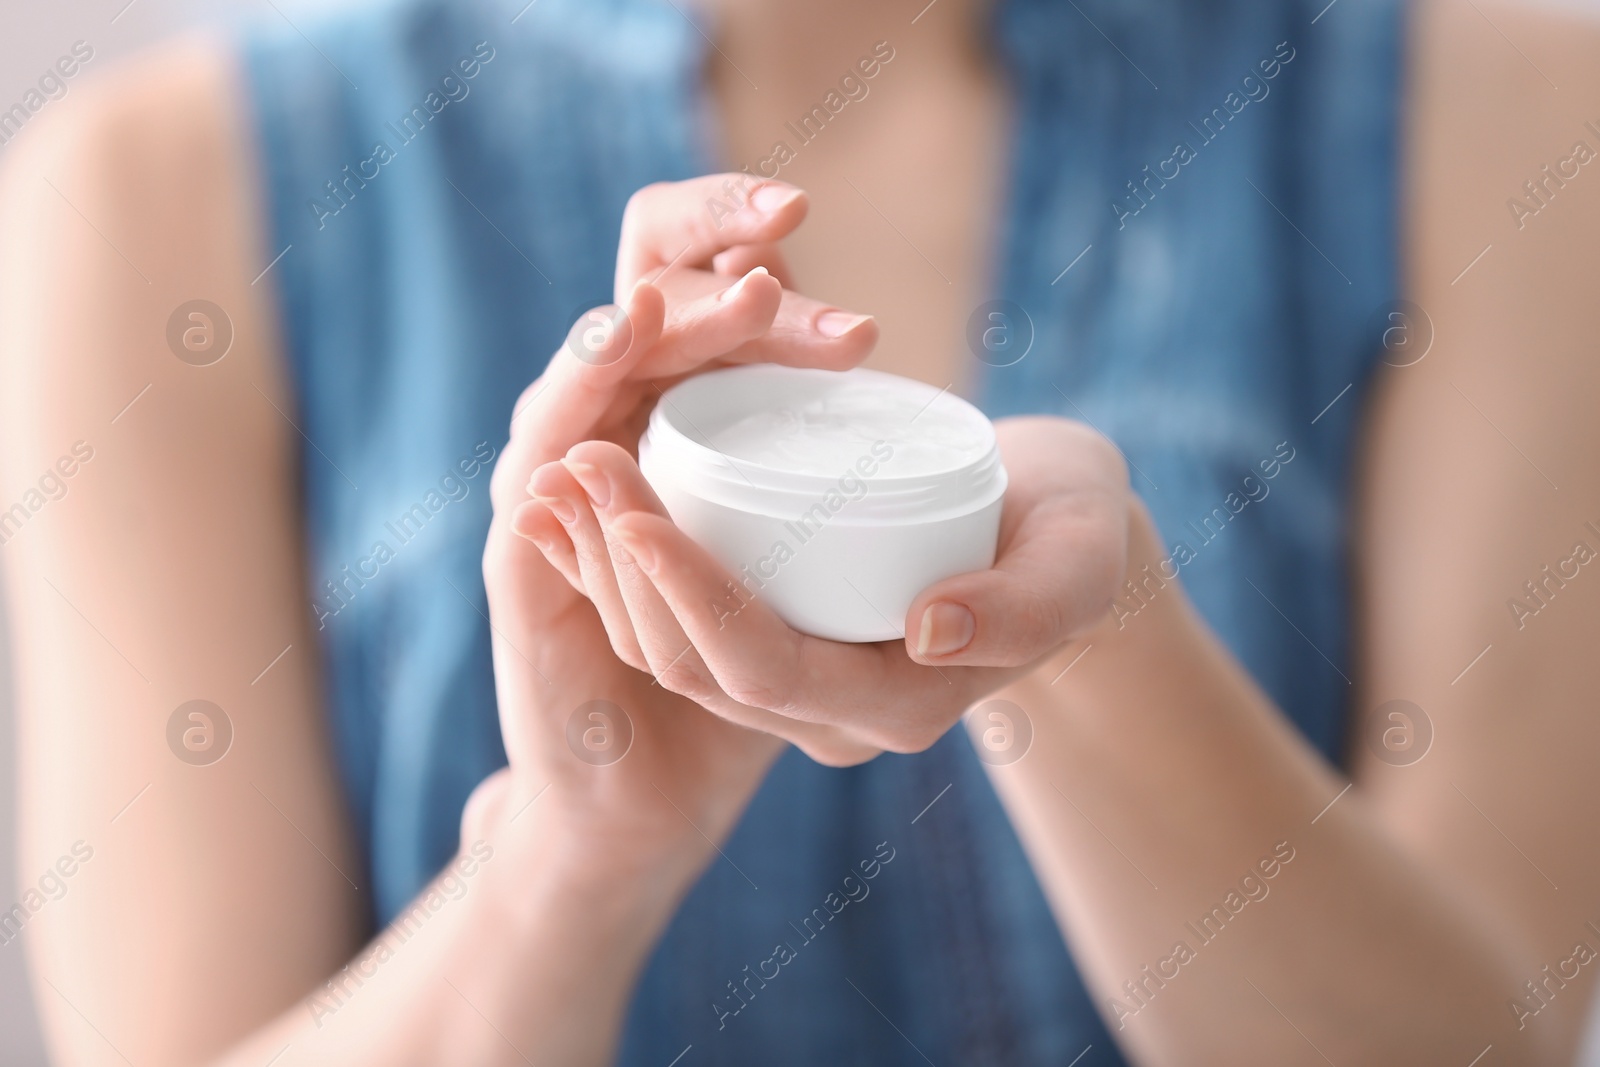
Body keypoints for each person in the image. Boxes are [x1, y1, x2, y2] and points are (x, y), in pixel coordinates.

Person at [2, 0, 1599, 1063]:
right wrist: (569, 857)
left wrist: (1091, 647)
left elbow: (1480, 1039)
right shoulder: (152, 196)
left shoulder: (1498, 112)